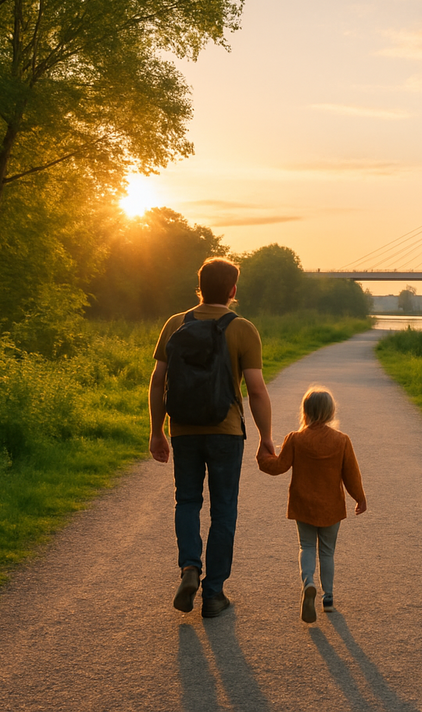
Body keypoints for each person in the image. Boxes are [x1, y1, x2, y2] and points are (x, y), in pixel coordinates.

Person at [149, 256, 274, 618]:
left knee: (187, 501)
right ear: (233, 290)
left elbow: (158, 381)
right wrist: (266, 437)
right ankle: (214, 593)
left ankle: (190, 567)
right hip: (226, 432)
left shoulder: (175, 324)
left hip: (184, 429)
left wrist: (157, 431)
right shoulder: (243, 329)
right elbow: (256, 390)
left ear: (199, 287)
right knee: (223, 510)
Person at [257, 386, 367, 623]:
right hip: (331, 507)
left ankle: (308, 583)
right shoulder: (342, 441)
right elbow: (351, 475)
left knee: (306, 546)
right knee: (327, 552)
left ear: (305, 411)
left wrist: (263, 457)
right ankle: (328, 598)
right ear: (330, 412)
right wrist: (360, 497)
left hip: (303, 505)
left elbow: (278, 466)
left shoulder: (295, 439)